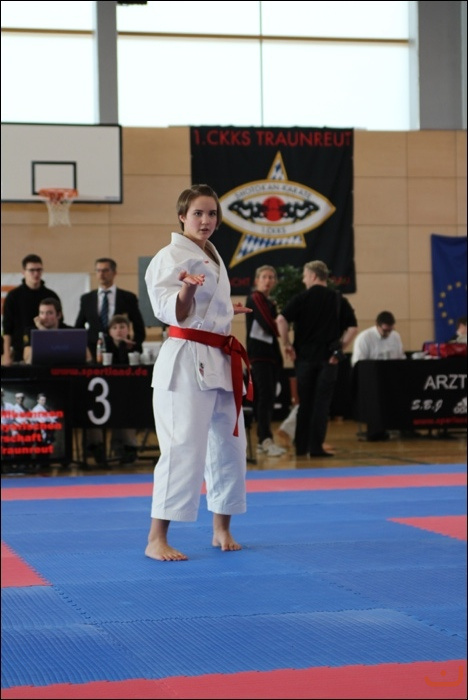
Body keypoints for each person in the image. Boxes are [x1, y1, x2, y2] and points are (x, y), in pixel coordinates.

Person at [144, 183, 252, 562]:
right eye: (197, 214)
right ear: (182, 217)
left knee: (230, 445)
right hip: (185, 360)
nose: (205, 220)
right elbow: (169, 309)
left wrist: (225, 311)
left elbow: (208, 308)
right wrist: (187, 292)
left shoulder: (211, 254)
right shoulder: (170, 256)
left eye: (211, 214)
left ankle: (221, 527)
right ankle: (156, 538)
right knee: (183, 448)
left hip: (219, 357)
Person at [276, 260, 358, 458]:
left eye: (305, 276)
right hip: (328, 360)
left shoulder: (301, 298)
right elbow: (353, 328)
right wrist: (340, 349)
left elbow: (281, 319)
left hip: (304, 359)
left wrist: (287, 344)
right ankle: (316, 448)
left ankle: (301, 447)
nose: (303, 280)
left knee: (304, 403)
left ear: (313, 276)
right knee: (321, 404)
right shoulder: (338, 299)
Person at [245, 265, 286, 457]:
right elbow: (267, 322)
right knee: (264, 397)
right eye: (264, 277)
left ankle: (264, 439)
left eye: (271, 277)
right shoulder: (256, 298)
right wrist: (281, 329)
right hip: (259, 355)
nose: (268, 280)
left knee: (268, 398)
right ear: (257, 280)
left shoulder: (270, 302)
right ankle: (265, 439)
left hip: (270, 356)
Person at [74, 257, 146, 360]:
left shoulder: (128, 297)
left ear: (114, 273)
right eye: (98, 270)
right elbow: (79, 327)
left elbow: (139, 327)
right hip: (94, 350)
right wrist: (83, 347)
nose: (101, 274)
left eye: (105, 270)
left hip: (120, 351)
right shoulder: (87, 299)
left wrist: (134, 345)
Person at [351, 310, 407, 441]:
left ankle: (405, 427)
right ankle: (377, 429)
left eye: (390, 330)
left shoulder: (395, 336)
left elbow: (400, 357)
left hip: (391, 378)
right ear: (377, 325)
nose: (388, 334)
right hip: (372, 381)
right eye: (385, 331)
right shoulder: (364, 338)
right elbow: (358, 363)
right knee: (377, 395)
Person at [1, 254, 61, 365]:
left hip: (49, 350)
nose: (36, 274)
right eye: (32, 270)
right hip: (20, 351)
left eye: (39, 270)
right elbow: (7, 328)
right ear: (23, 272)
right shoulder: (13, 296)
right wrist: (6, 355)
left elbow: (59, 323)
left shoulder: (51, 295)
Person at [22, 298, 93, 364]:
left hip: (65, 369)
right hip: (40, 370)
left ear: (59, 315)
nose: (44, 317)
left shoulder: (71, 332)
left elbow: (88, 358)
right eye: (41, 313)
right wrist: (41, 331)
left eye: (49, 313)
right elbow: (28, 359)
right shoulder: (31, 331)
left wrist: (44, 331)